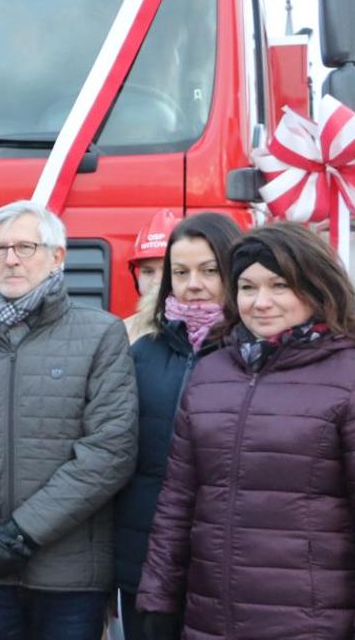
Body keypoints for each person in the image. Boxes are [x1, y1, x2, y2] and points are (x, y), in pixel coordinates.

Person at [138, 222, 355, 639]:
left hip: (312, 624)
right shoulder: (213, 373)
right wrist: (157, 597)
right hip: (209, 621)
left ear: (316, 287)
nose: (261, 302)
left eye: (279, 285)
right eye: (248, 287)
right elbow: (178, 501)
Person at [0, 199, 136, 640]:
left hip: (68, 577)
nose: (11, 259)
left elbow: (109, 452)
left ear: (58, 256)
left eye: (25, 246)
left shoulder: (101, 333)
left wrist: (22, 534)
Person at [110, 213, 241, 639]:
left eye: (209, 271)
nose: (193, 285)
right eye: (180, 272)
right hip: (143, 555)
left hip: (226, 560)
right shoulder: (141, 351)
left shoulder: (254, 352)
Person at [125, 209, 181, 342]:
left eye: (167, 271)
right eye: (148, 271)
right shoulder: (122, 332)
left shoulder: (204, 332)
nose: (157, 281)